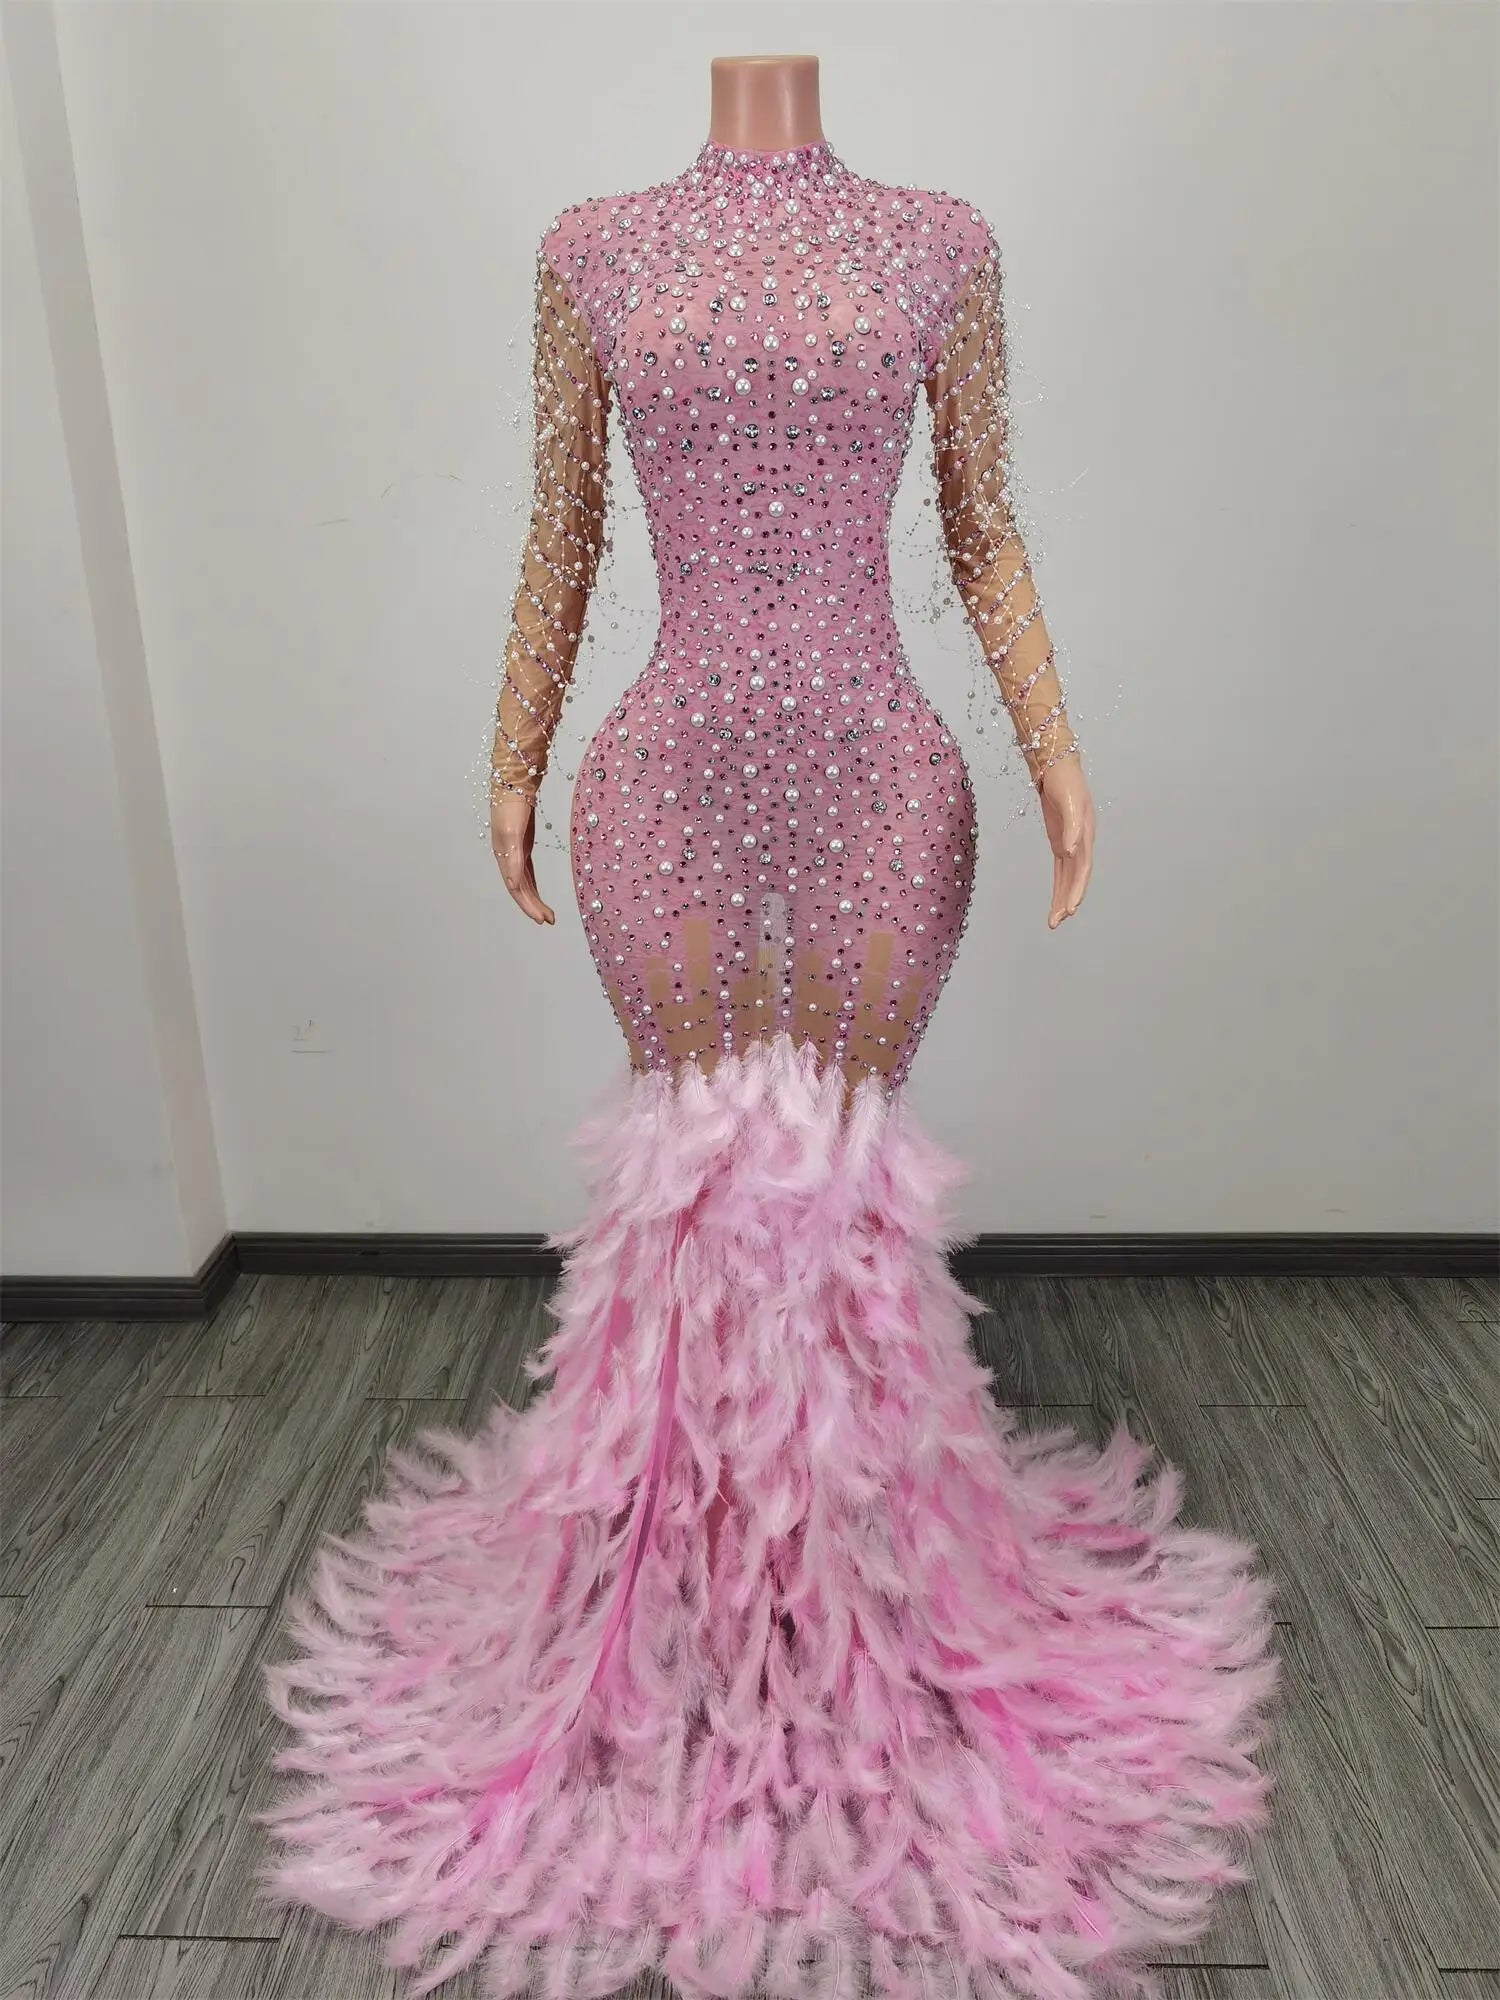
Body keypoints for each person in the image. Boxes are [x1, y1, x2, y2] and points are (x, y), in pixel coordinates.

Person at [257, 84, 1276, 2000]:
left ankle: (860, 1614)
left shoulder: (942, 243)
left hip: (885, 778)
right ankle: (684, 1622)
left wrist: (1057, 755)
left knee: (843, 1223)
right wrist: (511, 757)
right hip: (663, 785)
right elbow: (563, 537)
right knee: (694, 1208)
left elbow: (981, 530)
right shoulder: (591, 250)